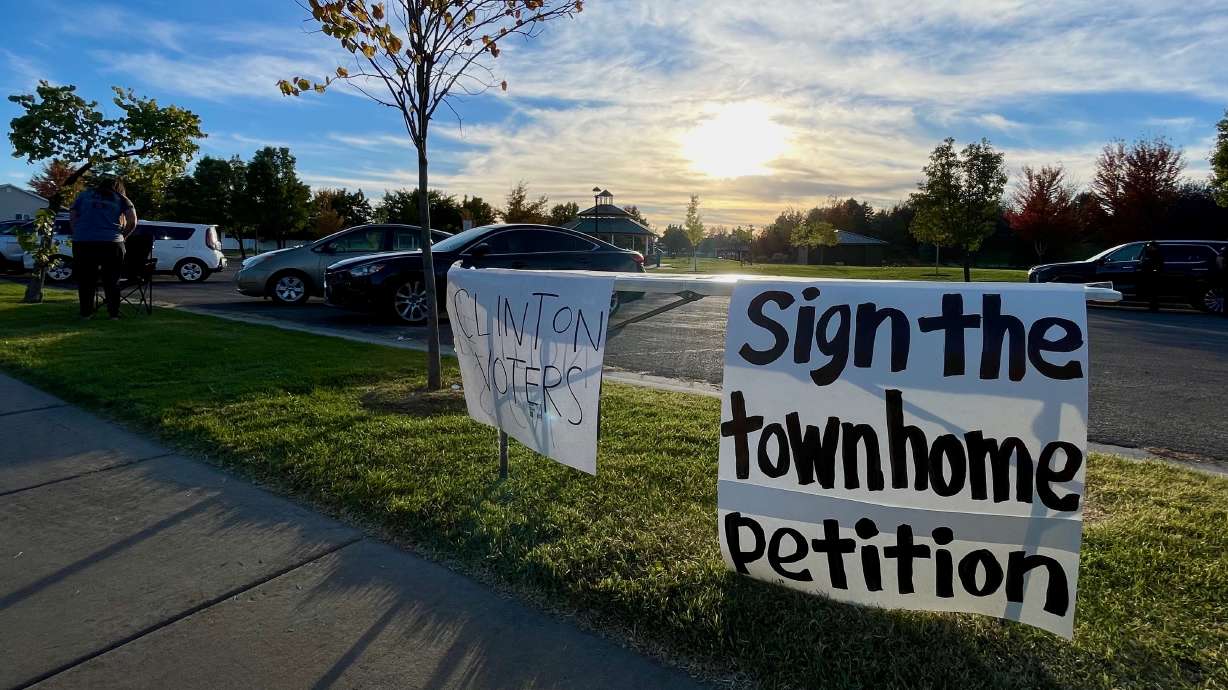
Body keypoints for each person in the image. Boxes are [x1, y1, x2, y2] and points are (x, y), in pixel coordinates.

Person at [69, 177, 137, 319]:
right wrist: (123, 236)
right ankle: (113, 314)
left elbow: (73, 215)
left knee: (86, 280)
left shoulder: (84, 195)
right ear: (118, 187)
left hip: (83, 242)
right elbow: (132, 221)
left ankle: (86, 313)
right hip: (112, 243)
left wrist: (78, 232)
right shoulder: (122, 199)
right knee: (112, 280)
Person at [1137, 240, 1163, 312]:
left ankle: (1154, 306)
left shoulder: (1157, 255)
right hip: (1149, 274)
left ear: (1154, 247)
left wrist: (1154, 270)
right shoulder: (1148, 254)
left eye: (1150, 246)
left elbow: (1159, 265)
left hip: (1154, 275)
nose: (1149, 247)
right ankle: (1152, 306)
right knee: (1152, 291)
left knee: (1154, 291)